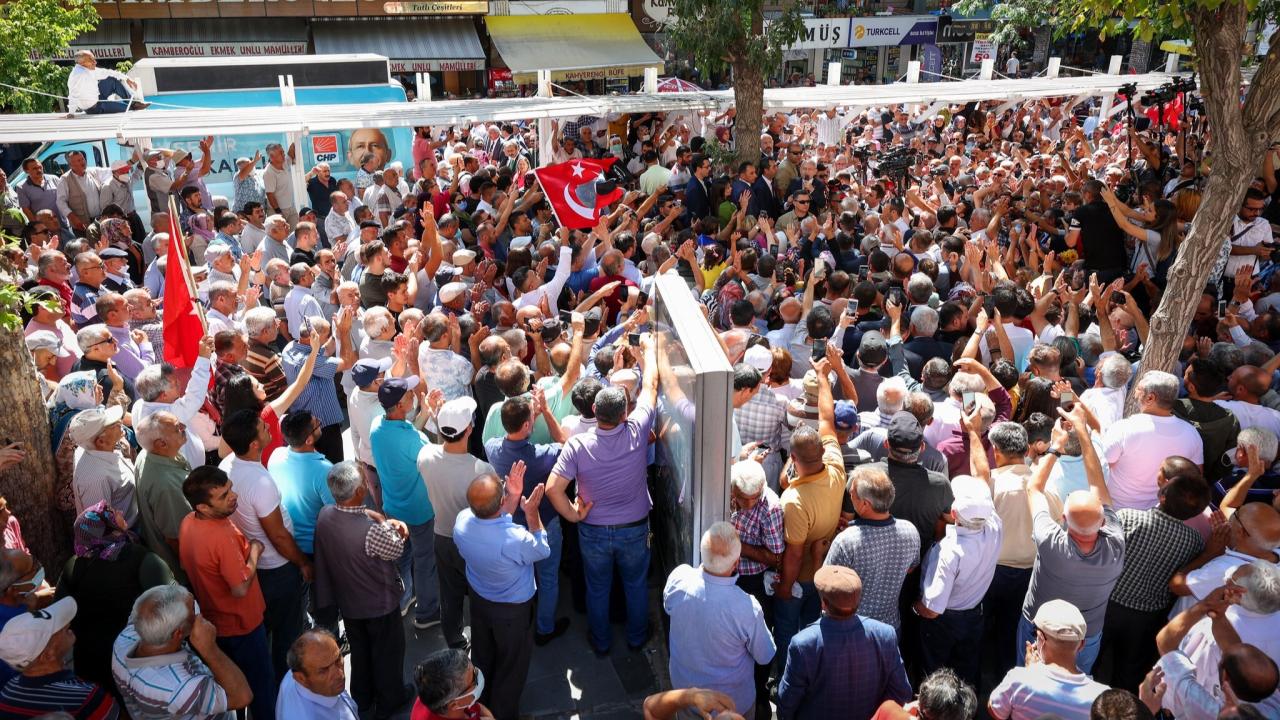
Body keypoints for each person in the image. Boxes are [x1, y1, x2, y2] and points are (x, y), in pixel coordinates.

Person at [545, 333, 659, 657]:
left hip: (592, 529)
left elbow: (553, 488)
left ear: (594, 409)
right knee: (636, 586)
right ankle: (636, 638)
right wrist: (648, 353)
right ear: (625, 413)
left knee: (598, 588)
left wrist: (573, 515)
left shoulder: (578, 444)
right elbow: (649, 387)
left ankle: (601, 641)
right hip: (634, 528)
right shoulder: (637, 431)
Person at [1020, 404, 1126, 675]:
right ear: (1103, 521)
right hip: (1085, 636)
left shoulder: (1050, 542)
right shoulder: (1115, 545)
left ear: (1064, 520)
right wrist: (1083, 431)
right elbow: (1097, 486)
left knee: (1028, 677)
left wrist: (1056, 446)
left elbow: (1033, 487)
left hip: (1038, 627)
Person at [313, 462, 412, 719]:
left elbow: (357, 515)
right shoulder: (370, 532)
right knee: (388, 653)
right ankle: (391, 700)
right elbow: (396, 549)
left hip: (349, 603)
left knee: (361, 651)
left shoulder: (325, 515)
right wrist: (399, 530)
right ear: (359, 492)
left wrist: (378, 518)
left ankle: (363, 697)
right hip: (378, 605)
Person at [178, 465, 276, 720]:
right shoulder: (221, 535)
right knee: (261, 688)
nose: (233, 496)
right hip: (243, 626)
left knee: (230, 688)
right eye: (223, 496)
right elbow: (240, 587)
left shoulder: (188, 522)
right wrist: (254, 550)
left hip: (216, 623)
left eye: (230, 489)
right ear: (203, 507)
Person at [772, 354, 847, 671]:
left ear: (794, 457)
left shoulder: (794, 499)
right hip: (824, 567)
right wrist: (823, 376)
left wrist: (786, 588)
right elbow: (827, 419)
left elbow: (793, 551)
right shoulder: (835, 465)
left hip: (801, 576)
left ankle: (787, 676)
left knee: (788, 631)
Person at [453, 471, 549, 720]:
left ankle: (480, 704)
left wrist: (512, 496)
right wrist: (531, 513)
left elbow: (495, 520)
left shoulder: (462, 521)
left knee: (484, 657)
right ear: (502, 499)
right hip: (512, 612)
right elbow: (542, 549)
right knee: (512, 666)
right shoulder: (515, 539)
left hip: (480, 602)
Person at [54, 501, 172, 691]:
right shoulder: (141, 559)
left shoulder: (74, 564)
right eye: (110, 512)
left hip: (90, 659)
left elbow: (60, 612)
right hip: (134, 658)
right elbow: (170, 606)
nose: (118, 511)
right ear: (107, 527)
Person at [663, 522, 775, 717]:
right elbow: (764, 655)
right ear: (736, 563)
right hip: (731, 707)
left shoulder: (678, 579)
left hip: (686, 699)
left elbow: (669, 606)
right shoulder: (746, 607)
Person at [776, 564, 912, 719]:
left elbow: (787, 702)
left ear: (823, 604)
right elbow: (902, 693)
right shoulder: (885, 634)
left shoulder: (803, 644)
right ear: (857, 601)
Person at [111, 584, 253, 719]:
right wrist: (209, 649)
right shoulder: (179, 688)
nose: (197, 610)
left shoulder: (125, 638)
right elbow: (242, 697)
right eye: (193, 608)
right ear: (178, 633)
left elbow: (152, 609)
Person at [369, 376, 442, 629]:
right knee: (425, 562)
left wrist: (423, 412)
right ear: (400, 406)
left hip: (393, 507)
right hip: (419, 512)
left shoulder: (377, 425)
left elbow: (411, 434)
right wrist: (437, 417)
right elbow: (437, 455)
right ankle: (428, 613)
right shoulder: (412, 440)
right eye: (409, 394)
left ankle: (403, 599)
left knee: (402, 558)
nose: (414, 394)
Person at [424, 395, 495, 647]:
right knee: (479, 592)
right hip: (472, 542)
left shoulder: (425, 456)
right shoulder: (482, 470)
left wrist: (435, 416)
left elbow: (435, 446)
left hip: (441, 537)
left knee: (450, 594)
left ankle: (454, 641)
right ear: (470, 430)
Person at [824, 466, 919, 632]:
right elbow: (911, 568)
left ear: (865, 504)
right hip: (890, 626)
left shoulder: (846, 541)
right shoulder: (910, 531)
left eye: (852, 493)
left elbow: (827, 585)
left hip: (852, 628)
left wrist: (818, 554)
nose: (850, 496)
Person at [989, 599, 1110, 720]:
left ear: (1041, 638)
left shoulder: (1017, 679)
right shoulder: (1102, 698)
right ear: (1082, 644)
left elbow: (996, 712)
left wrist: (1031, 673)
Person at [0, 598, 121, 718]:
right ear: (48, 655)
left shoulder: (8, 691)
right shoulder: (87, 699)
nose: (67, 623)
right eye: (57, 627)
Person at [276, 629, 359, 719]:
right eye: (323, 670)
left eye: (338, 659)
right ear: (301, 678)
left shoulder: (300, 670)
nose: (339, 674)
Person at [410, 648, 496, 720]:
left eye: (475, 670)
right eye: (474, 681)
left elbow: (478, 707)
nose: (478, 675)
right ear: (455, 704)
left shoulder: (431, 693)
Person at [67, 49, 147, 114]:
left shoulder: (88, 69)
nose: (95, 62)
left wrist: (127, 78)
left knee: (112, 80)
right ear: (81, 63)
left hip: (98, 96)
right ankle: (132, 106)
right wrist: (71, 113)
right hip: (94, 107)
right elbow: (73, 94)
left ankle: (134, 103)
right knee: (127, 108)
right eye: (91, 60)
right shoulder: (78, 75)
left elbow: (108, 72)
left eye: (94, 59)